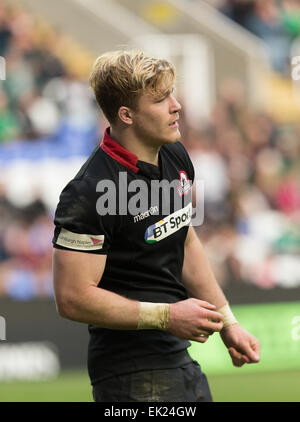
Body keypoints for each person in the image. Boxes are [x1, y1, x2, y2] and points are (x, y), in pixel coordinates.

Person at [52, 50, 260, 402]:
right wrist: (166, 316)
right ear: (126, 115)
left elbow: (185, 238)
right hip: (130, 375)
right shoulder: (87, 192)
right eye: (161, 99)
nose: (176, 105)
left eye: (172, 94)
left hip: (179, 360)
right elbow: (72, 298)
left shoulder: (175, 156)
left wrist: (228, 323)